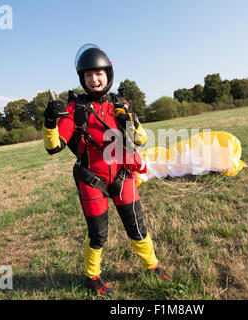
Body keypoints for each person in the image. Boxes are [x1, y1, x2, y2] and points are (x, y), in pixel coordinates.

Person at [42, 44, 170, 296]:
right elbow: (54, 146)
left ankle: (152, 267)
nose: (94, 79)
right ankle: (93, 277)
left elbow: (141, 139)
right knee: (98, 234)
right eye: (88, 75)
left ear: (108, 75)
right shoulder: (74, 110)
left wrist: (129, 119)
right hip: (92, 180)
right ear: (83, 79)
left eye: (99, 73)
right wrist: (49, 122)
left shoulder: (121, 103)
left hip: (123, 176)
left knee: (136, 226)